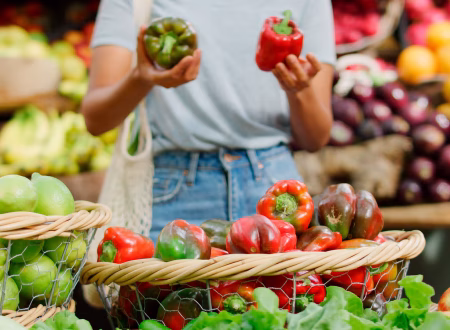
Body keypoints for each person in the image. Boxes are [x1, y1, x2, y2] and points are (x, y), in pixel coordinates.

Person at [81, 0, 335, 242]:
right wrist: (142, 79)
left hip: (278, 191)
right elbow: (96, 119)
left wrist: (299, 90)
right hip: (173, 193)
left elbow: (315, 138)